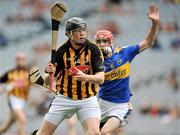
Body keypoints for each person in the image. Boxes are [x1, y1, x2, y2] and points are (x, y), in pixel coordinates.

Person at [31, 17, 104, 135]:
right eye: (77, 31)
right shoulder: (61, 52)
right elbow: (47, 81)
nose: (82, 33)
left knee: (94, 132)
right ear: (69, 34)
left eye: (84, 30)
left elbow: (101, 79)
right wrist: (49, 73)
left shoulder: (93, 49)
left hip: (88, 99)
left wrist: (85, 77)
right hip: (64, 99)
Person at [94, 4, 159, 135]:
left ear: (111, 42)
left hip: (120, 105)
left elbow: (148, 43)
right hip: (102, 103)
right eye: (98, 42)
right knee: (92, 132)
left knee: (105, 132)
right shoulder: (94, 61)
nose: (101, 44)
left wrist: (155, 24)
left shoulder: (124, 53)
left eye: (104, 41)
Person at [0, 52, 30, 135]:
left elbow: (36, 83)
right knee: (22, 120)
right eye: (19, 59)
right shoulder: (10, 73)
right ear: (16, 60)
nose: (20, 61)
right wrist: (4, 88)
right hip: (13, 99)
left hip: (23, 100)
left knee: (7, 125)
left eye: (22, 59)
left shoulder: (28, 73)